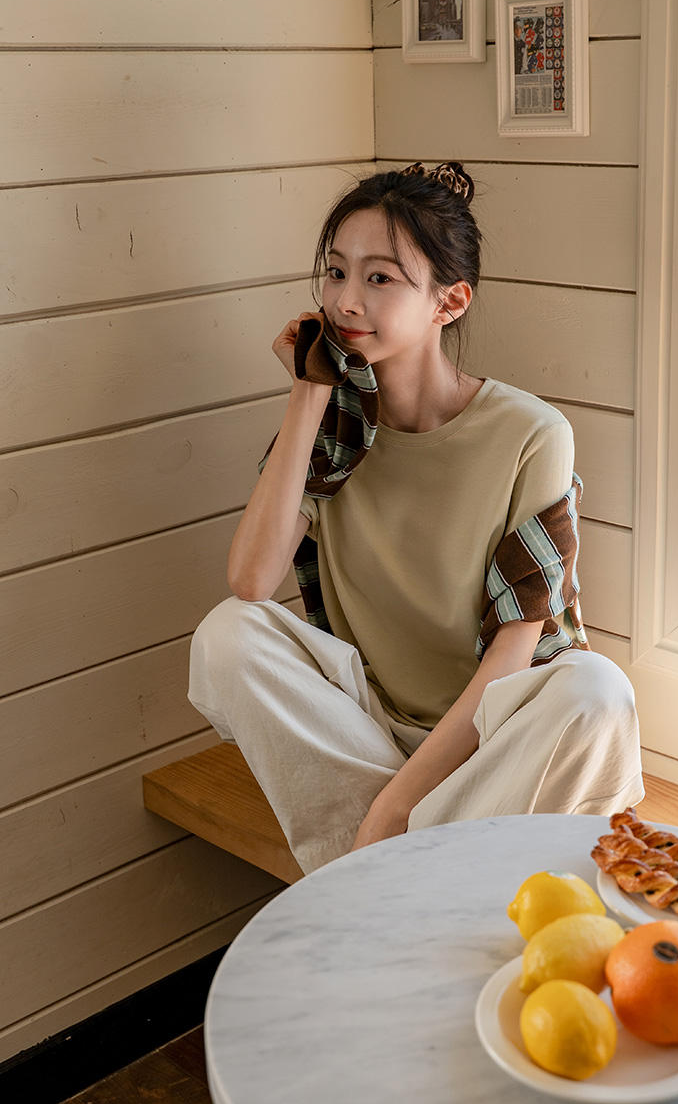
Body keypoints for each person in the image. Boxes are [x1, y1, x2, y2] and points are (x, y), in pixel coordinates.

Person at [188, 157, 643, 871]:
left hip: (499, 737)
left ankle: (373, 869)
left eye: (380, 279)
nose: (346, 302)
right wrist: (308, 393)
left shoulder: (532, 434)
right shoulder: (330, 428)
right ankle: (423, 867)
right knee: (227, 635)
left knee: (598, 689)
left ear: (448, 302)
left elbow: (514, 654)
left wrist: (396, 808)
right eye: (336, 272)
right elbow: (250, 582)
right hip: (368, 730)